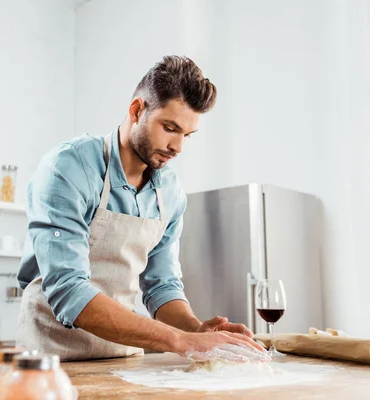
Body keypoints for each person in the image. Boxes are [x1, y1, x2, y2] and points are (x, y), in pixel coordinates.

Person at [16, 55, 265, 361]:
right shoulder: (68, 168)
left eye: (186, 135)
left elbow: (162, 285)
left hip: (121, 357)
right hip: (48, 359)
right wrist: (180, 341)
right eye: (170, 128)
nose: (178, 147)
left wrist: (195, 330)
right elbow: (68, 290)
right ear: (136, 110)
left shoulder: (170, 193)